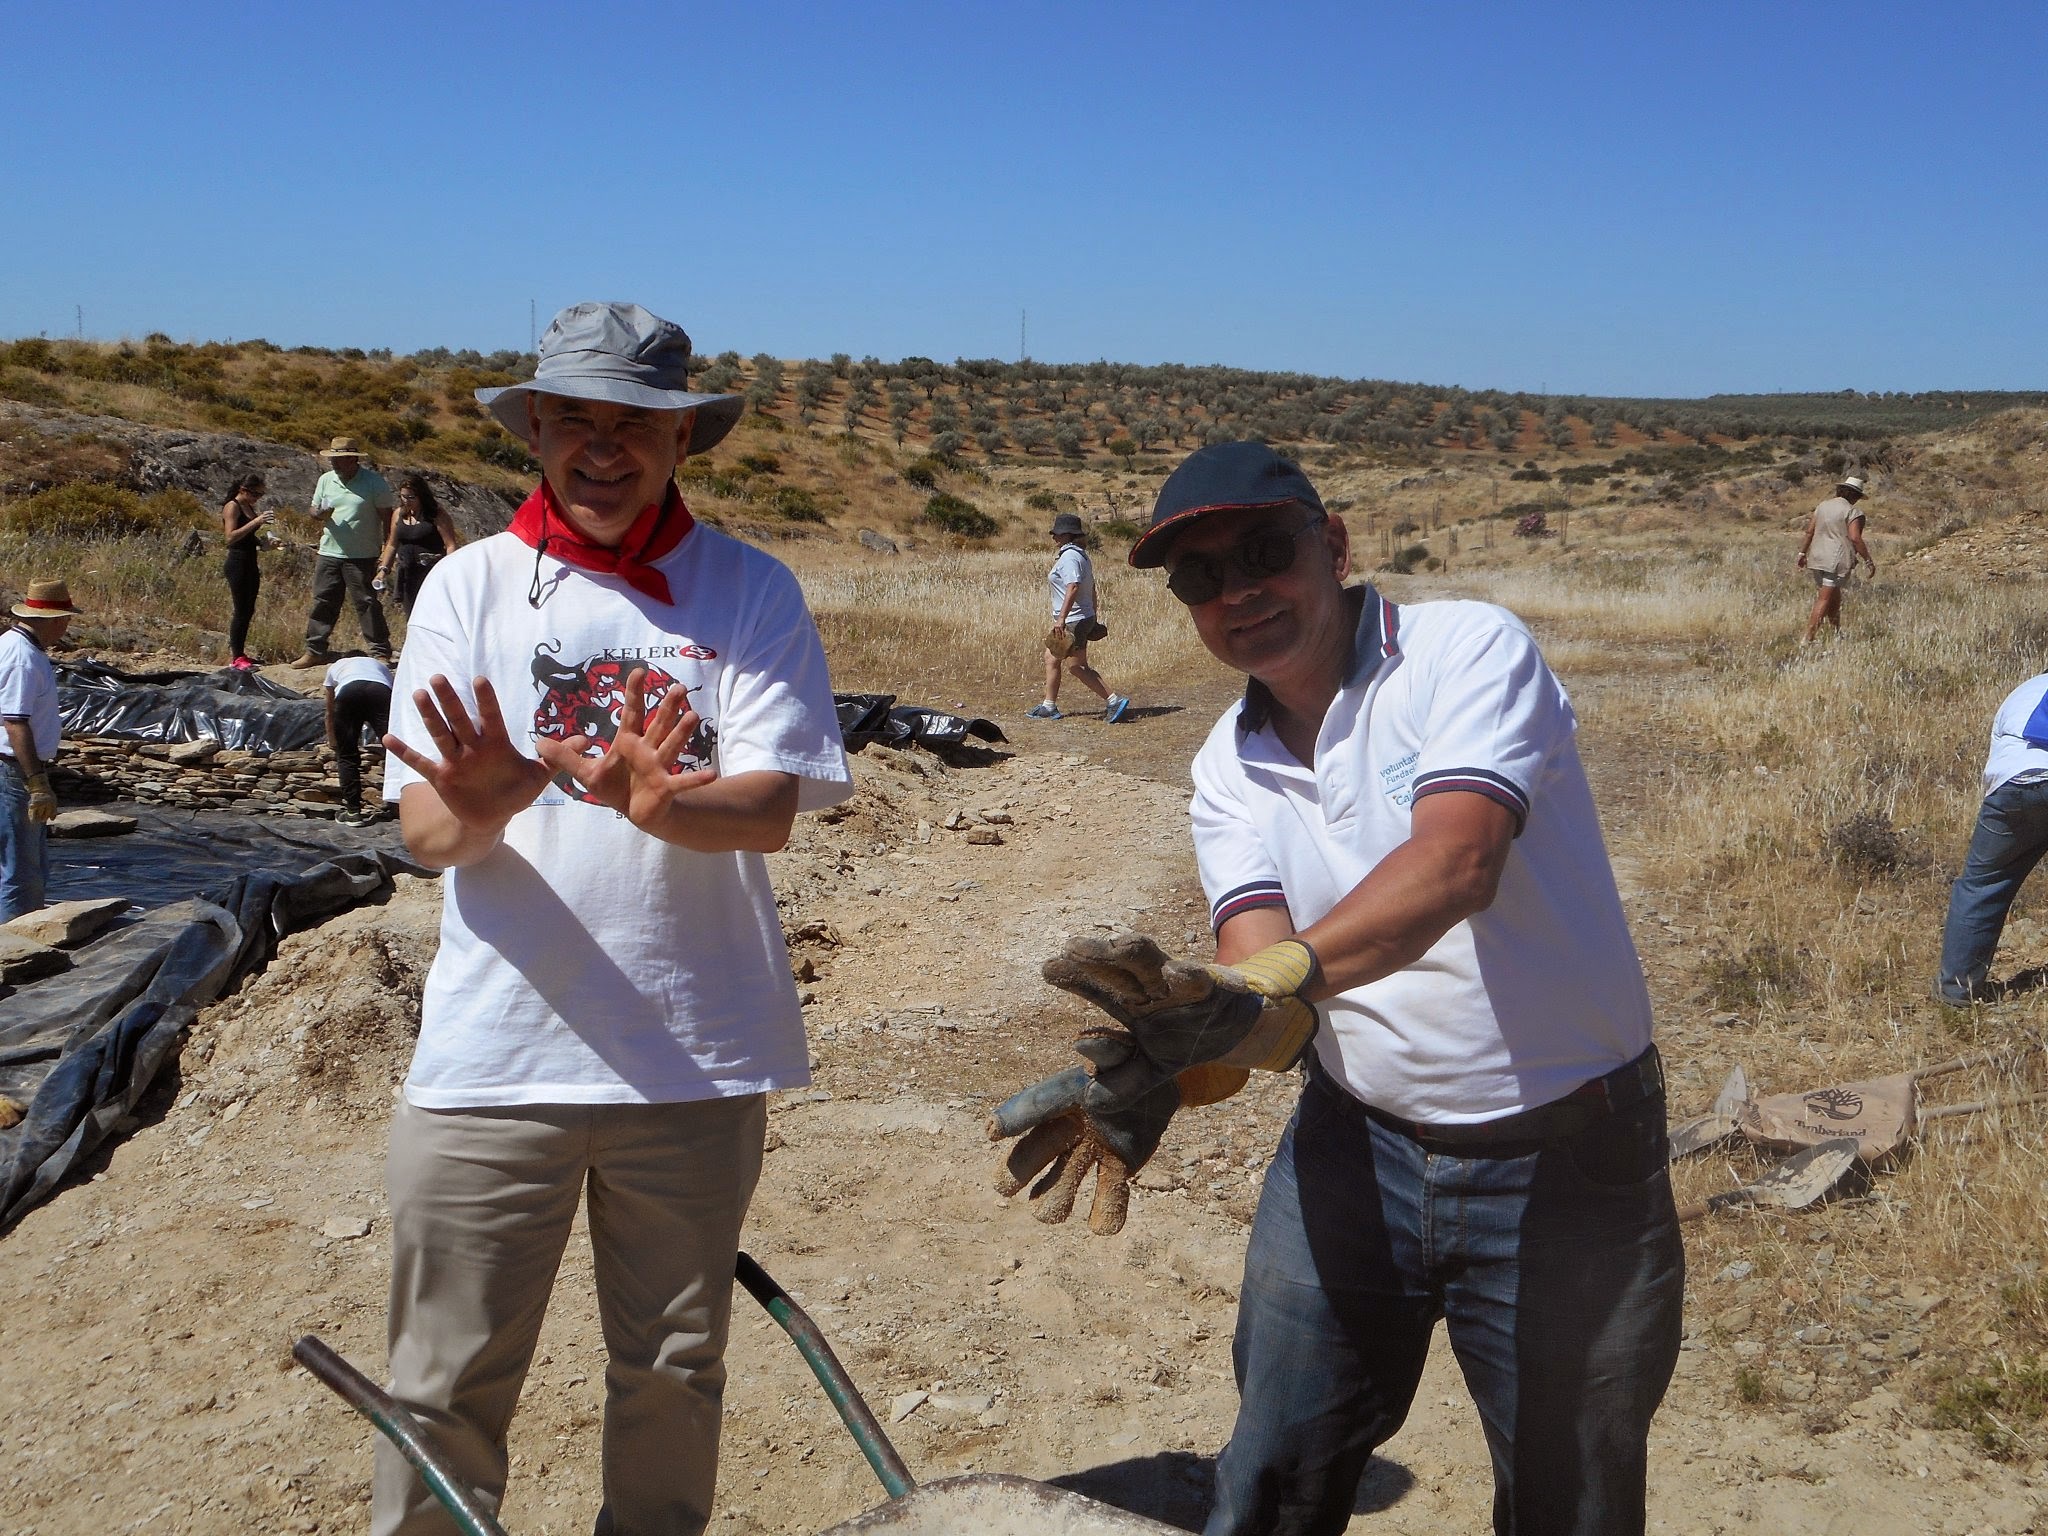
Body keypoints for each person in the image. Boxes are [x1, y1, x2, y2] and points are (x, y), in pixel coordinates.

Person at [992, 441, 1681, 1536]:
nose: (1238, 593)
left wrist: (1263, 979)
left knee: (1572, 1501)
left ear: (1333, 545)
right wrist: (1187, 1054)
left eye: (1263, 552)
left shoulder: (1461, 650)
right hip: (1355, 1147)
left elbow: (1458, 862)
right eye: (1200, 579)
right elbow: (1273, 1004)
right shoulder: (1226, 763)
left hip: (1564, 1162)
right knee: (1268, 1476)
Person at [374, 301, 852, 1536]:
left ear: (679, 438)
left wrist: (657, 804)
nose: (601, 446)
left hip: (693, 1059)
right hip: (491, 1063)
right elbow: (426, 835)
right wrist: (475, 808)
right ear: (533, 429)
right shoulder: (467, 587)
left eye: (632, 422)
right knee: (441, 1392)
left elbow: (763, 809)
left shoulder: (747, 589)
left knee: (673, 1376)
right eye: (573, 419)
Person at [1936, 672, 2048, 1003]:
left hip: (2013, 787)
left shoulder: (2022, 692)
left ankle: (1957, 993)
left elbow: (1998, 755)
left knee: (1982, 886)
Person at [1, 579, 82, 920]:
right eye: (64, 620)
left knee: (26, 865)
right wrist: (36, 782)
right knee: (20, 873)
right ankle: (15, 955)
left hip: (13, 768)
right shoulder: (22, 658)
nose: (65, 628)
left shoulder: (17, 646)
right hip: (12, 771)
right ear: (53, 620)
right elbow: (15, 722)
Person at [291, 435, 395, 668]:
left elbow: (387, 518)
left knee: (366, 602)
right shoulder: (326, 480)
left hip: (362, 555)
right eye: (333, 459)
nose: (334, 464)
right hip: (329, 551)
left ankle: (380, 651)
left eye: (338, 459)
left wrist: (388, 549)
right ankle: (315, 650)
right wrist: (318, 514)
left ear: (352, 459)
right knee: (323, 601)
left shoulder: (373, 482)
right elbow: (313, 508)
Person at [1028, 511, 1130, 722]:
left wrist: (1061, 619)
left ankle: (1113, 700)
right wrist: (1093, 615)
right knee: (1052, 658)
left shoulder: (1070, 557)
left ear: (1068, 535)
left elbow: (1073, 587)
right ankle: (1049, 705)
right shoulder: (1081, 556)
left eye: (1058, 533)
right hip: (1081, 617)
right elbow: (1091, 588)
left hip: (1073, 619)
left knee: (1076, 667)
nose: (1054, 536)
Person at [1797, 474, 1875, 642]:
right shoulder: (1853, 511)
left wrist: (1802, 553)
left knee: (1833, 595)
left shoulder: (1822, 506)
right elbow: (1855, 538)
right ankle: (1808, 637)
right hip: (1836, 559)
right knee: (1825, 598)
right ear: (1855, 495)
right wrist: (1868, 559)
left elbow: (1809, 531)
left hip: (1817, 556)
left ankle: (1836, 632)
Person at [376, 473, 463, 615]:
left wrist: (449, 572)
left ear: (421, 496)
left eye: (411, 497)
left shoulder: (436, 515)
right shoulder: (398, 514)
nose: (407, 501)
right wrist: (383, 570)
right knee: (411, 615)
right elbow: (392, 544)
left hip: (430, 573)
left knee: (432, 615)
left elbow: (450, 545)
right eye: (403, 496)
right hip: (407, 573)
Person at [323, 655, 394, 825]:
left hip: (349, 692)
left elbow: (329, 711)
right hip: (380, 692)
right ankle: (398, 805)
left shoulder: (336, 665)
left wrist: (334, 741)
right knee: (395, 751)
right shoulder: (379, 665)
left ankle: (353, 812)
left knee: (346, 756)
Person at [220, 473, 274, 668]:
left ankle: (241, 653)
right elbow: (230, 538)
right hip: (237, 562)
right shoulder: (232, 506)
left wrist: (265, 544)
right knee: (241, 610)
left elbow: (248, 537)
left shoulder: (248, 507)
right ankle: (236, 656)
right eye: (255, 494)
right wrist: (257, 521)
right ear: (243, 490)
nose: (257, 499)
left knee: (248, 609)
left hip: (250, 560)